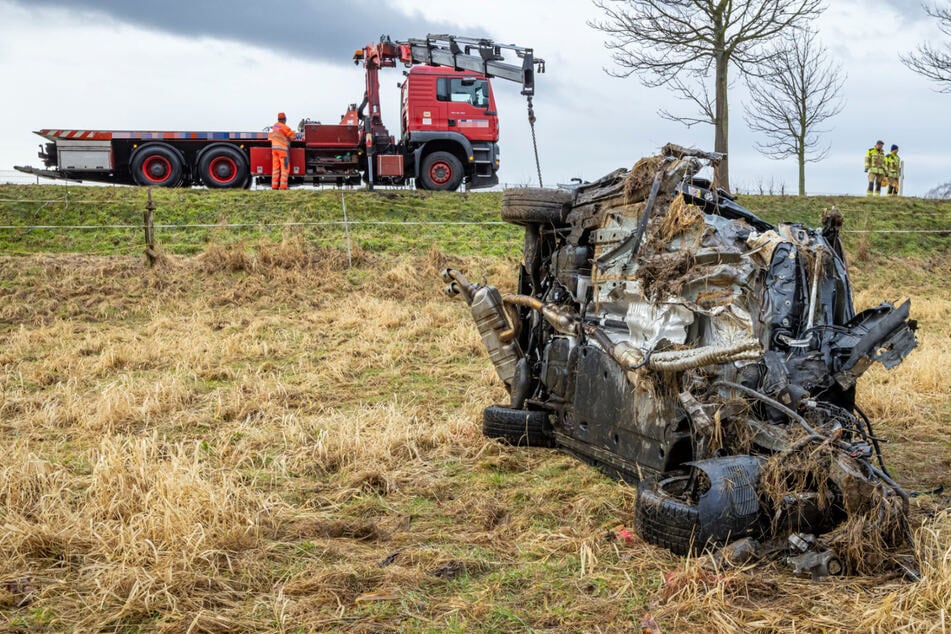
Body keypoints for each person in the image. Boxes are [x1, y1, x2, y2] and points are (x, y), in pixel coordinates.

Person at [268, 112, 296, 190]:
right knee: (285, 168)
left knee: (275, 168)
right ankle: (283, 187)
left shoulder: (275, 126)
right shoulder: (285, 127)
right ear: (284, 120)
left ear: (278, 119)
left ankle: (274, 186)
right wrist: (294, 133)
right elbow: (292, 137)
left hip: (274, 150)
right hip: (282, 150)